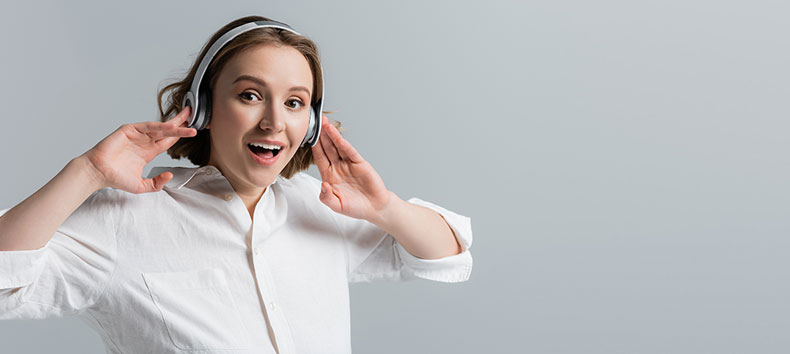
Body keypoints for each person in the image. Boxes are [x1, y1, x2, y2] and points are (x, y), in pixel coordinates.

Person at [0, 15, 473, 353]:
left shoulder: (318, 207)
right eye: (250, 95)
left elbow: (447, 256)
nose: (273, 121)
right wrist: (86, 172)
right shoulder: (125, 219)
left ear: (309, 125)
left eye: (294, 103)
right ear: (203, 109)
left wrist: (383, 207)